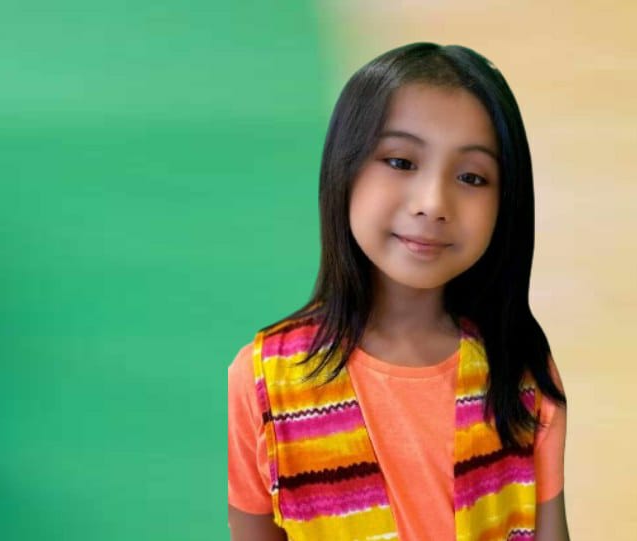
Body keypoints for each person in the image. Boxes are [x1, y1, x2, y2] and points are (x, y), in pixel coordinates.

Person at [228, 42, 569, 541]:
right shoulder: (262, 378)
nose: (433, 203)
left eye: (472, 176)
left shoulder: (521, 372)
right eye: (401, 162)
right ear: (343, 169)